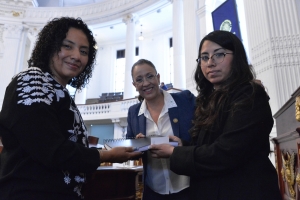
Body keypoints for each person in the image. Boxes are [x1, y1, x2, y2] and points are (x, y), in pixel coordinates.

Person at [0, 17, 141, 199]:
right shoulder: (33, 79)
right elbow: (50, 149)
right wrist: (107, 155)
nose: (76, 56)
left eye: (84, 51)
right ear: (51, 46)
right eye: (68, 46)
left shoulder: (60, 92)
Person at [149, 30, 281, 199]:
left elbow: (227, 152)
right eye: (204, 57)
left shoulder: (251, 93)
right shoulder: (207, 99)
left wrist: (175, 154)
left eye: (219, 55)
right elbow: (209, 144)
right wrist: (183, 145)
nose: (210, 62)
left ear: (237, 57)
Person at [126, 59, 195, 200]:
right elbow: (130, 146)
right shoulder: (133, 112)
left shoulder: (184, 100)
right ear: (134, 85)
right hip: (153, 191)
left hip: (189, 187)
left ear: (158, 77)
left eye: (150, 76)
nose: (145, 83)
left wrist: (181, 145)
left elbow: (202, 137)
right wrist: (138, 145)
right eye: (139, 80)